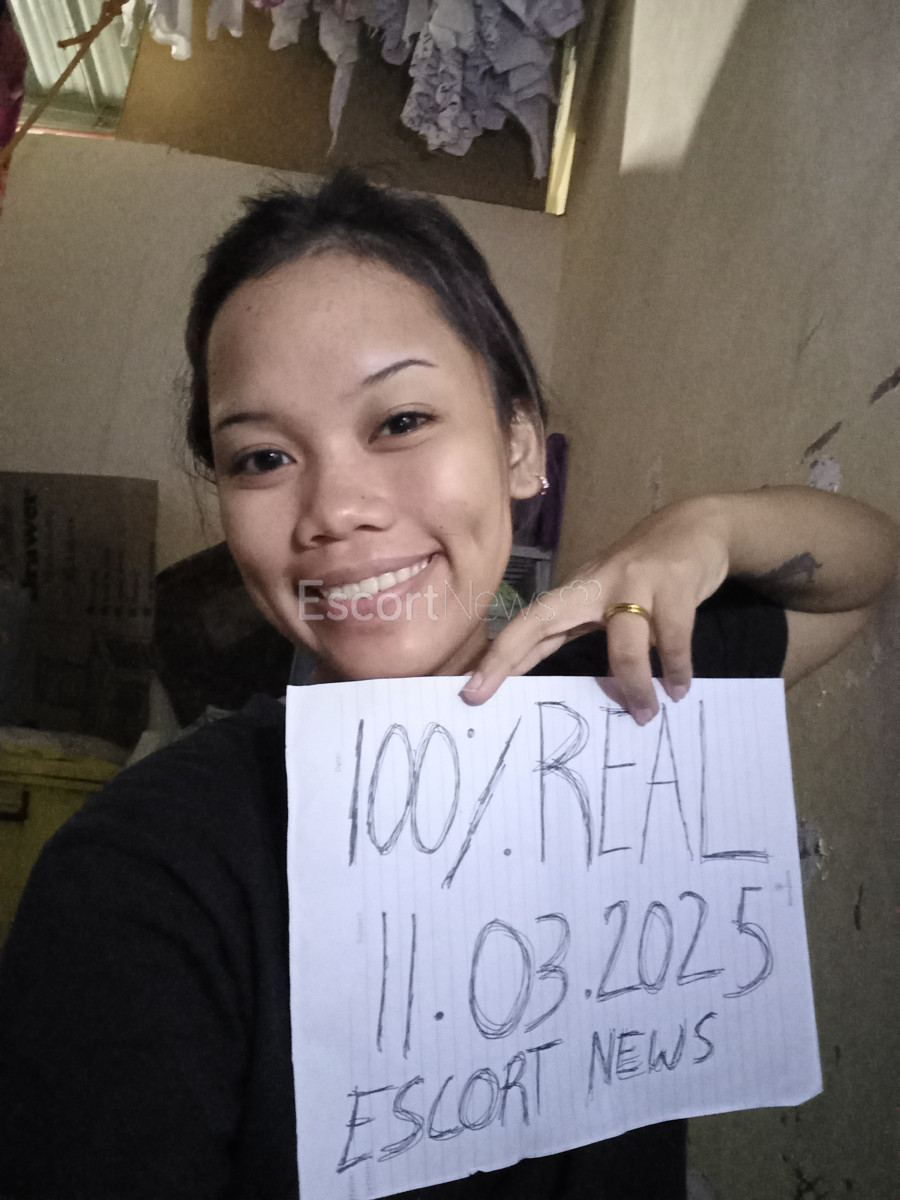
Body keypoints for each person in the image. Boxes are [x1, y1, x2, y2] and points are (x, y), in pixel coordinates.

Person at [0, 171, 896, 1200]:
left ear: (519, 446)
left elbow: (860, 574)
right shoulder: (144, 874)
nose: (335, 508)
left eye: (400, 421)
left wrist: (708, 526)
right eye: (263, 456)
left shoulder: (622, 691)